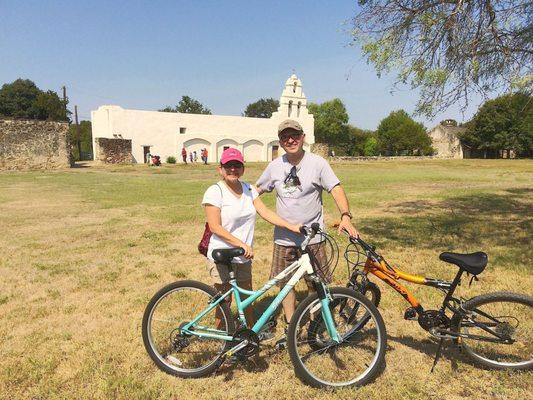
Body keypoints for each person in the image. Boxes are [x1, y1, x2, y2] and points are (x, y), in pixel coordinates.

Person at [255, 119, 359, 347]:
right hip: (284, 238)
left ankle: (315, 325)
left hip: (313, 238)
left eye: (294, 135)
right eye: (284, 137)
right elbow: (256, 190)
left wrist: (345, 216)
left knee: (317, 284)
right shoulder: (275, 166)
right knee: (286, 284)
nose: (289, 140)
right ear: (280, 141)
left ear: (303, 137)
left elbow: (336, 188)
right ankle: (291, 326)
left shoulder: (318, 163)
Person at [202, 148, 301, 328]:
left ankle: (250, 332)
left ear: (243, 169)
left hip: (243, 255)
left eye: (237, 165)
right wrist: (241, 244)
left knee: (247, 297)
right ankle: (220, 336)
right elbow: (215, 226)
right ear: (220, 169)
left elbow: (265, 212)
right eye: (229, 166)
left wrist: (291, 227)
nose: (233, 169)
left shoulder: (249, 189)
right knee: (224, 300)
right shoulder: (215, 191)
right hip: (223, 254)